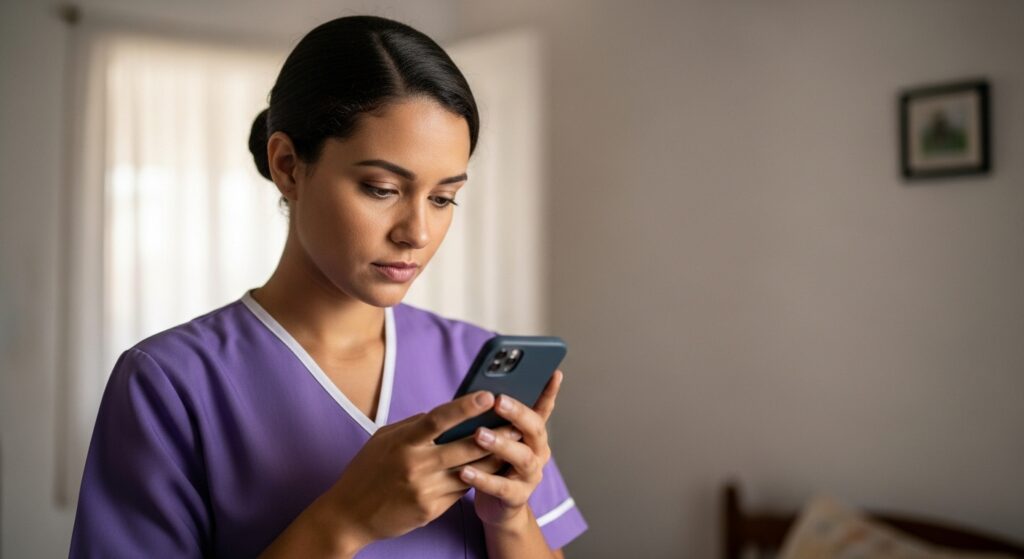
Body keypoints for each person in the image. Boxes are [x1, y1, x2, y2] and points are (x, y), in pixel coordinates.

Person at [68, 14, 587, 559]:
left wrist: (510, 518)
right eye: (382, 188)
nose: (417, 233)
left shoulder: (472, 360)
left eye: (442, 198)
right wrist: (346, 519)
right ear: (288, 166)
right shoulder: (169, 383)